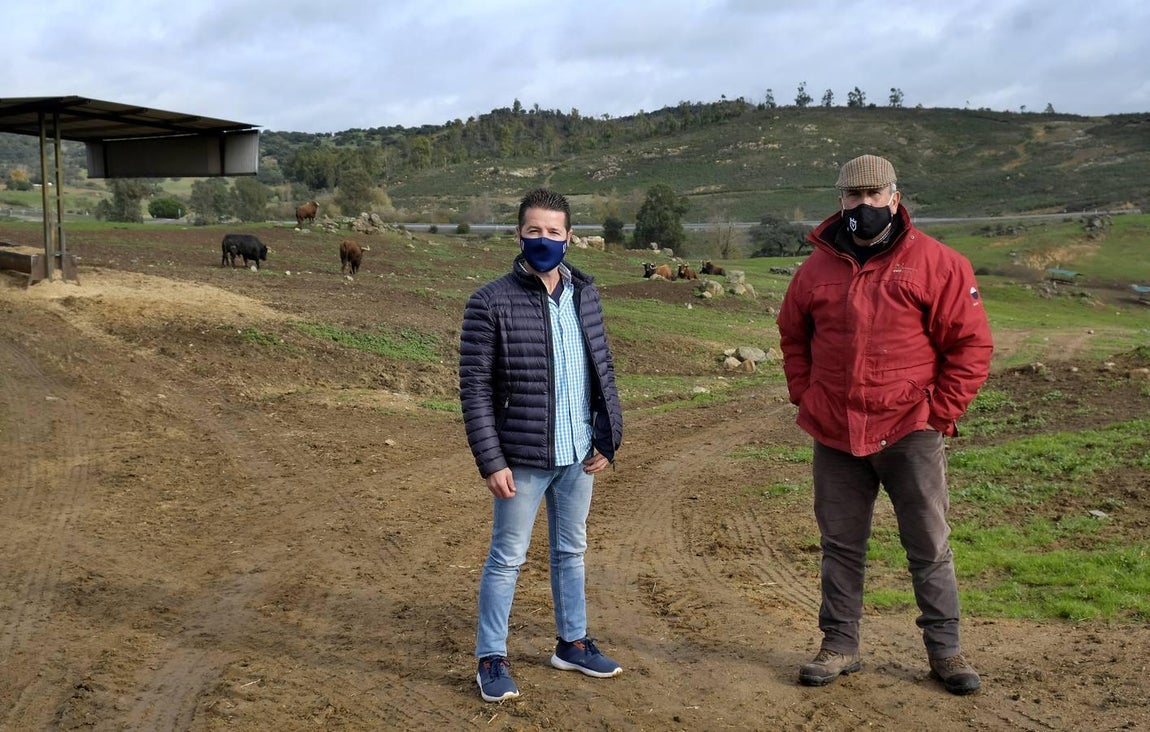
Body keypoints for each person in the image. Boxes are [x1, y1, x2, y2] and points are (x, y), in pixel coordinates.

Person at [776, 155, 994, 695]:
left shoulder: (938, 263)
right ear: (840, 201)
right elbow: (793, 337)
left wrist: (939, 413)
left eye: (876, 196)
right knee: (841, 545)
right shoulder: (815, 269)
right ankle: (839, 646)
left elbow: (970, 346)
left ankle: (946, 652)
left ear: (895, 199)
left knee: (928, 545)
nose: (865, 206)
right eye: (855, 196)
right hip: (836, 432)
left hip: (910, 429)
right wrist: (808, 395)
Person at [459, 188, 625, 703]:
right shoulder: (490, 302)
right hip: (523, 459)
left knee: (570, 551)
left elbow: (603, 368)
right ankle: (491, 658)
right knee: (507, 558)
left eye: (554, 232)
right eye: (535, 231)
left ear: (569, 238)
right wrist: (491, 459)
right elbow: (475, 388)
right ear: (519, 235)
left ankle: (572, 643)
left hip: (578, 454)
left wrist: (608, 436)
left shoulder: (585, 293)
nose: (544, 240)